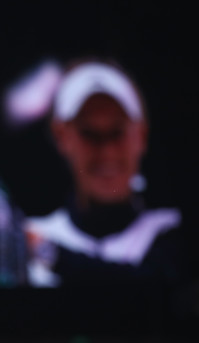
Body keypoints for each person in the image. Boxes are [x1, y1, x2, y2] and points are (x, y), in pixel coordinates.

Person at [25, 59, 182, 287]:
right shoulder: (35, 234)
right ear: (62, 136)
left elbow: (152, 288)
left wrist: (44, 251)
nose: (106, 151)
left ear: (141, 135)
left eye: (117, 132)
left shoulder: (171, 230)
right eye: (89, 134)